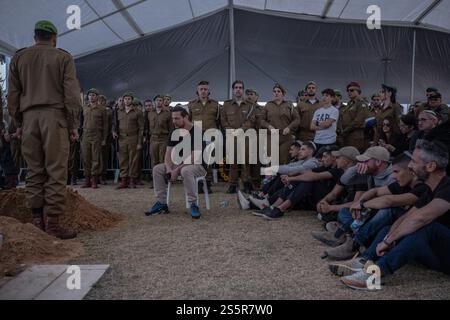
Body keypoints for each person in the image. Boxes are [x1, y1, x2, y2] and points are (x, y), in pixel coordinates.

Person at [339, 140, 450, 290]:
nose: (409, 166)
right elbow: (408, 217)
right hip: (438, 256)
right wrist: (388, 238)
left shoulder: (447, 187)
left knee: (427, 227)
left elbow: (422, 218)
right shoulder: (430, 190)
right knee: (391, 227)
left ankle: (375, 275)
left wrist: (387, 241)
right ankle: (365, 262)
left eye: (414, 162)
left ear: (431, 166)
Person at [7, 20, 81, 239]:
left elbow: (12, 95)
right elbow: (71, 95)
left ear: (35, 37)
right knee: (56, 171)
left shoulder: (19, 58)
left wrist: (19, 123)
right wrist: (73, 124)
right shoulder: (63, 57)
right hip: (54, 118)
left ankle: (37, 221)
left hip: (29, 119)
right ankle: (53, 224)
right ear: (54, 37)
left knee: (34, 171)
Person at [326, 153, 429, 261]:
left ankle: (352, 242)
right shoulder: (401, 184)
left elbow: (389, 201)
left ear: (411, 171)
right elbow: (375, 191)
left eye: (396, 172)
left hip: (413, 230)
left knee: (388, 211)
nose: (393, 176)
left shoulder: (421, 188)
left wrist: (362, 204)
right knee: (345, 211)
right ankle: (347, 236)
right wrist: (359, 203)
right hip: (389, 226)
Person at [254, 146, 354, 220]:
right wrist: (292, 175)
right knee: (301, 178)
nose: (336, 159)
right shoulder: (331, 168)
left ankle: (280, 208)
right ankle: (274, 206)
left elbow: (314, 177)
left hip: (330, 202)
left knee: (308, 181)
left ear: (347, 160)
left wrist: (292, 178)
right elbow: (309, 172)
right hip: (323, 200)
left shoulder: (338, 171)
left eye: (338, 157)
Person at [146, 107, 207, 219]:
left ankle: (193, 203)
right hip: (178, 164)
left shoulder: (197, 132)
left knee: (185, 170)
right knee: (157, 169)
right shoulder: (174, 132)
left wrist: (177, 170)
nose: (174, 121)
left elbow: (195, 156)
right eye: (172, 118)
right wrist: (169, 169)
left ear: (186, 117)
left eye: (177, 118)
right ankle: (162, 203)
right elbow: (168, 154)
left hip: (197, 165)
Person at [221, 80, 257, 194]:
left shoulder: (250, 105)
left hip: (245, 136)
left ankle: (246, 183)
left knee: (245, 161)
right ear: (233, 90)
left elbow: (251, 121)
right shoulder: (226, 105)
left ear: (243, 90)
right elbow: (223, 120)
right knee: (233, 161)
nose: (238, 89)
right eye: (236, 87)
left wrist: (241, 130)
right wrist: (229, 130)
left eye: (240, 87)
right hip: (231, 136)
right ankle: (233, 184)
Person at [187, 81, 221, 193]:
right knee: (196, 160)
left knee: (208, 161)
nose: (203, 91)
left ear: (209, 91)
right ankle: (198, 183)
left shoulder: (216, 105)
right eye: (201, 89)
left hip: (210, 136)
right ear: (197, 91)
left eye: (205, 89)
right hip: (196, 136)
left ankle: (207, 183)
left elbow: (219, 121)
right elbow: (188, 121)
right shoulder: (191, 105)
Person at [260, 83, 300, 165]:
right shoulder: (268, 105)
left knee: (284, 159)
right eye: (274, 91)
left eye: (278, 91)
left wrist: (289, 127)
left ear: (283, 93)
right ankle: (270, 177)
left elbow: (297, 119)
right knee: (271, 159)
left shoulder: (289, 105)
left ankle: (281, 178)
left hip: (285, 137)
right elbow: (261, 120)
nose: (276, 93)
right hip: (271, 136)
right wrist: (269, 126)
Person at [112, 92, 144, 189]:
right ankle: (124, 181)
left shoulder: (138, 112)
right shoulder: (118, 111)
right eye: (125, 99)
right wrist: (113, 131)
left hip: (133, 138)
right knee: (123, 160)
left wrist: (139, 142)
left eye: (129, 99)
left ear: (132, 100)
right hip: (121, 138)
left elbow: (141, 128)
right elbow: (114, 123)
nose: (127, 100)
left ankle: (132, 180)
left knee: (133, 160)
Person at [81, 88, 108, 189]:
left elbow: (105, 126)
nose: (91, 97)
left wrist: (104, 138)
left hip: (97, 135)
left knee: (96, 158)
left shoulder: (102, 109)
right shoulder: (85, 108)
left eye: (93, 95)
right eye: (90, 95)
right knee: (85, 157)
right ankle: (87, 180)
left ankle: (94, 180)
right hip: (85, 135)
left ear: (97, 97)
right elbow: (81, 121)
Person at [337, 82, 368, 152]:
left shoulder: (362, 104)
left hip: (355, 135)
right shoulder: (348, 104)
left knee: (353, 156)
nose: (349, 92)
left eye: (352, 90)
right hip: (345, 135)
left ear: (358, 91)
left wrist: (345, 131)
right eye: (347, 91)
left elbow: (358, 121)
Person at [147, 95, 173, 169]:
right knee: (154, 159)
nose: (158, 102)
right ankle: (155, 177)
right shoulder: (150, 113)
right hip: (153, 139)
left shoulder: (168, 113)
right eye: (157, 100)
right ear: (154, 102)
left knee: (163, 159)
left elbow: (171, 128)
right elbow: (147, 126)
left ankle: (163, 177)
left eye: (160, 100)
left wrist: (170, 141)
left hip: (163, 139)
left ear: (162, 102)